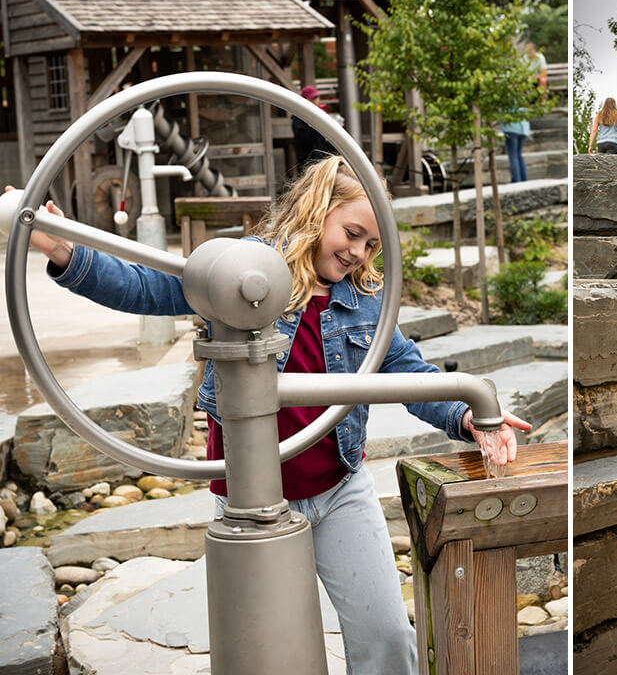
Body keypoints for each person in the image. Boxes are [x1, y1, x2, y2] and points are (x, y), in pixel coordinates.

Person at [7, 156, 531, 674]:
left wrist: (467, 416)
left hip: (338, 488)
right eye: (350, 233)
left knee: (389, 638)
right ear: (316, 209)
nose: (357, 252)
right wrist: (62, 249)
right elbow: (148, 284)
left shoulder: (366, 299)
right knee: (269, 649)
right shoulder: (242, 271)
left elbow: (406, 371)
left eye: (372, 244)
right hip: (253, 501)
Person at [292, 85, 337, 173]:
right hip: (308, 164)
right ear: (304, 100)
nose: (315, 101)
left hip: (324, 161)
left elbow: (326, 141)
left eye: (317, 97)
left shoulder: (321, 114)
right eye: (312, 98)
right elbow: (305, 141)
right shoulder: (299, 118)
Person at [502, 117, 530, 183]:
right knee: (518, 155)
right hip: (524, 128)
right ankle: (523, 179)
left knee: (513, 156)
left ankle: (516, 180)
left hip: (511, 128)